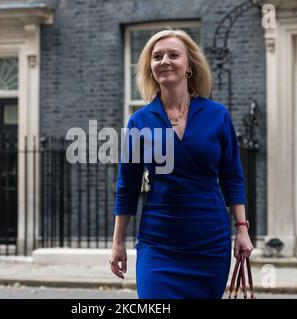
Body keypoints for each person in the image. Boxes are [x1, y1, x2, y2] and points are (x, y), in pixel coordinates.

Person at [109, 29, 254, 299]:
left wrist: (242, 229)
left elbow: (233, 176)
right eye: (157, 56)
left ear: (189, 66)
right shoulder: (139, 121)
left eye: (174, 55)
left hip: (208, 240)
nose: (165, 60)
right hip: (159, 240)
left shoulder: (217, 115)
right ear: (150, 68)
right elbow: (127, 185)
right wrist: (118, 243)